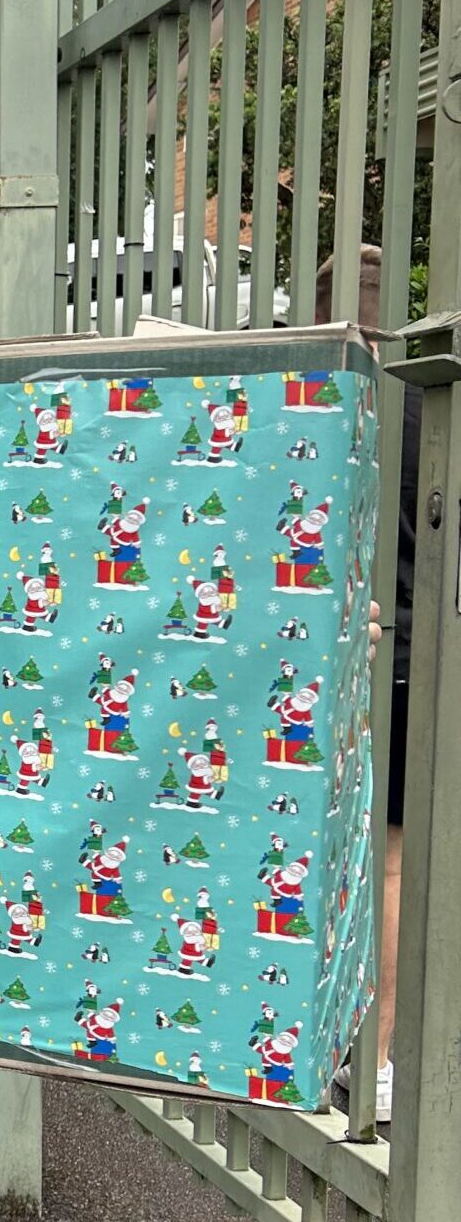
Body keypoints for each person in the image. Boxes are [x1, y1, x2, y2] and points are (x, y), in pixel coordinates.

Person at [322, 244, 412, 1123]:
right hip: (408, 661)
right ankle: (369, 1062)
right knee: (385, 865)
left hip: (316, 660)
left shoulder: (318, 405)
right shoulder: (425, 404)